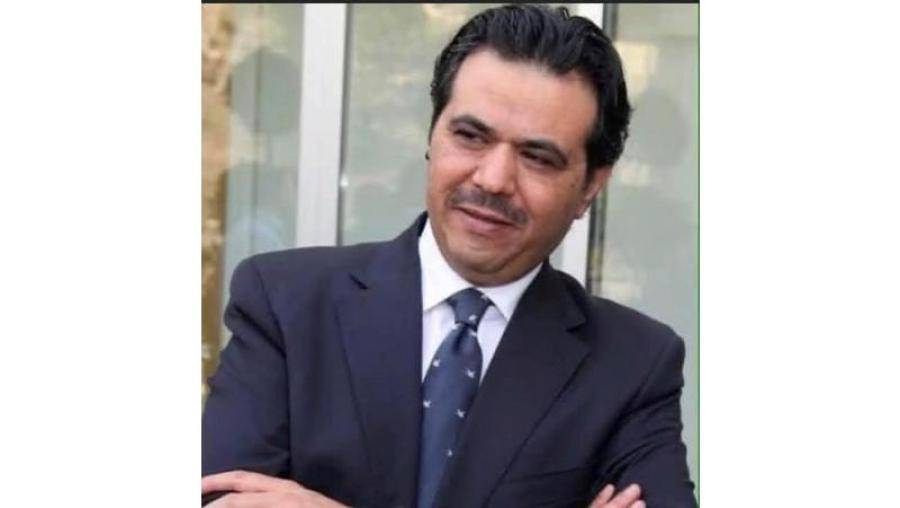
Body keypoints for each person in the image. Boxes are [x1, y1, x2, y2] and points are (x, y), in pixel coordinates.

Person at [202, 5, 696, 507]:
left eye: (537, 157)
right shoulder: (286, 304)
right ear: (432, 135)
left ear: (590, 186)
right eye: (471, 136)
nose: (493, 179)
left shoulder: (633, 364)